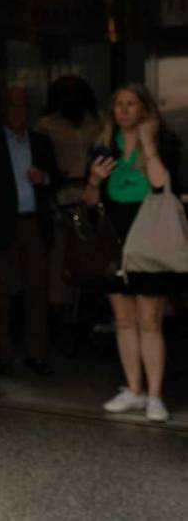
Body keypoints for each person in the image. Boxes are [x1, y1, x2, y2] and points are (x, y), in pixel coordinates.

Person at [82, 83, 183, 422]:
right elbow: (89, 203)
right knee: (123, 320)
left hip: (150, 240)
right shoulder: (103, 146)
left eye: (131, 104)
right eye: (119, 104)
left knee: (150, 321)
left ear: (144, 109)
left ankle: (155, 396)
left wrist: (148, 142)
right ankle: (133, 390)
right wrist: (94, 180)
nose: (124, 110)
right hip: (115, 243)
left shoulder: (164, 142)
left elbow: (161, 185)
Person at [0, 86, 59, 376]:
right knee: (2, 294)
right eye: (11, 106)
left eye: (21, 107)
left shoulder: (41, 142)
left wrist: (43, 179)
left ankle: (36, 355)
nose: (17, 112)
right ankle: (4, 357)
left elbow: (58, 179)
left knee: (36, 291)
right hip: (4, 226)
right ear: (3, 110)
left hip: (34, 224)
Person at [34, 75, 101, 353]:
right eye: (66, 92)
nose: (72, 97)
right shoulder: (46, 125)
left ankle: (87, 324)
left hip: (93, 195)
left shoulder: (97, 122)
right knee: (62, 264)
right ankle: (61, 330)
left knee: (92, 260)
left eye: (77, 92)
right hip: (61, 199)